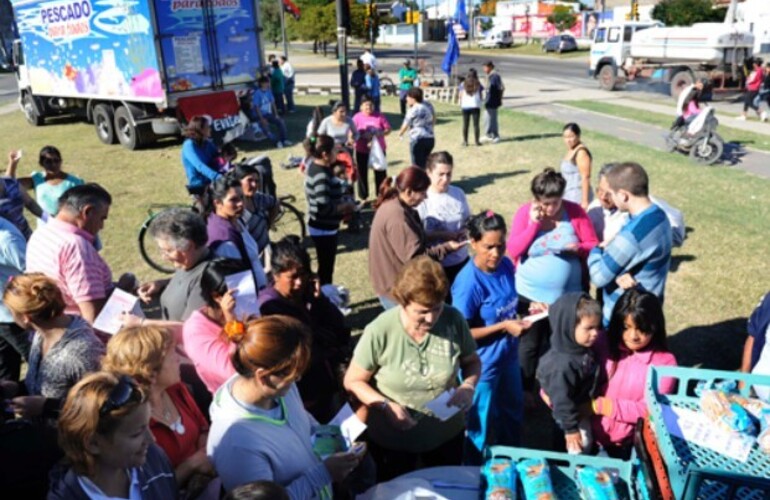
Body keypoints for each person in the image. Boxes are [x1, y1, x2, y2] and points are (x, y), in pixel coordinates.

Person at [344, 256, 481, 481]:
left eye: (436, 308)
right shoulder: (380, 330)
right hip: (393, 443)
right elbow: (353, 381)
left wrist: (467, 385)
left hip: (445, 437)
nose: (431, 318)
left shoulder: (453, 319)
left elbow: (472, 361)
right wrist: (386, 406)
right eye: (422, 311)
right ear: (403, 301)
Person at [207, 315, 361, 495]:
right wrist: (324, 473)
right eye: (293, 377)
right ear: (263, 376)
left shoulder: (278, 388)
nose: (297, 380)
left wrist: (330, 439)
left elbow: (301, 418)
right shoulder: (237, 445)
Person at [506, 168, 598, 392]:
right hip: (530, 294)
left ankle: (559, 387)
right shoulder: (525, 213)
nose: (548, 208)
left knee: (562, 343)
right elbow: (514, 249)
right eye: (543, 203)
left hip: (567, 297)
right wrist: (534, 224)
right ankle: (526, 388)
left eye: (554, 203)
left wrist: (579, 249)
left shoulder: (574, 212)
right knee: (529, 345)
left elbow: (593, 244)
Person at [451, 211, 531, 464]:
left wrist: (529, 306)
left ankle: (511, 462)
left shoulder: (506, 265)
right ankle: (473, 474)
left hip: (508, 358)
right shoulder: (468, 283)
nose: (496, 253)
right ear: (472, 243)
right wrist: (503, 327)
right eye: (489, 247)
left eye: (501, 245)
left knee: (512, 413)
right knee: (478, 427)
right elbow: (461, 336)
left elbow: (509, 300)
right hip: (481, 366)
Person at [102, 326, 216, 491]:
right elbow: (148, 490)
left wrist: (206, 451)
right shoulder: (133, 421)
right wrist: (191, 465)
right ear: (150, 372)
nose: (179, 359)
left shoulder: (176, 389)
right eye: (173, 355)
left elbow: (203, 427)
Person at [258, 236, 351, 422]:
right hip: (302, 394)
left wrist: (320, 300)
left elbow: (340, 329)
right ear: (276, 275)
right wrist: (328, 350)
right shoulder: (269, 308)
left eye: (303, 275)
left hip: (325, 385)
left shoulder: (306, 296)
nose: (299, 282)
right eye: (292, 277)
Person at [49, 372, 178, 499]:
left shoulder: (155, 461)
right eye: (136, 434)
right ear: (93, 443)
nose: (152, 439)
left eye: (148, 425)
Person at [1, 273, 104, 421]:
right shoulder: (41, 335)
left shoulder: (80, 352)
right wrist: (17, 388)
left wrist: (46, 407)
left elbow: (102, 406)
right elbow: (54, 384)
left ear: (25, 317)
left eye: (11, 312)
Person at [591, 289, 677, 458]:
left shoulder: (665, 363)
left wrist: (601, 406)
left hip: (627, 446)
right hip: (586, 434)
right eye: (626, 327)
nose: (633, 336)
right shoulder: (600, 341)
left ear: (655, 327)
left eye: (642, 329)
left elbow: (652, 410)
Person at [588, 162, 672, 325]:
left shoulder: (632, 236)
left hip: (624, 318)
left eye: (612, 194)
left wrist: (597, 250)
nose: (609, 198)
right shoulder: (659, 215)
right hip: (649, 306)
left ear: (624, 195)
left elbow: (598, 277)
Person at [368, 167, 465, 309]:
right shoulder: (397, 217)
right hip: (396, 292)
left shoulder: (397, 205)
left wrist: (443, 235)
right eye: (423, 193)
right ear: (408, 192)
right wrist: (448, 248)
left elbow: (412, 237)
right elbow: (417, 259)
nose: (425, 197)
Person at [26, 183, 123, 324]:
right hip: (87, 338)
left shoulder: (40, 234)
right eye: (102, 218)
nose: (102, 226)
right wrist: (123, 289)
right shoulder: (76, 248)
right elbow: (93, 317)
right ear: (87, 212)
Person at [537, 292, 602, 454]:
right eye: (589, 328)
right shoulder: (561, 366)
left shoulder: (580, 348)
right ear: (568, 327)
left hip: (580, 408)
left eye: (597, 327)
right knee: (577, 449)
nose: (595, 333)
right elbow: (561, 401)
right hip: (570, 418)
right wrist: (571, 430)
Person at [182, 258, 249, 394]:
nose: (250, 296)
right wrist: (233, 323)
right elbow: (233, 371)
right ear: (218, 297)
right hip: (237, 400)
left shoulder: (246, 309)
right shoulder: (195, 332)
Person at [136, 208, 213, 322]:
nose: (164, 257)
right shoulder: (189, 262)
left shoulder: (207, 279)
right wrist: (162, 284)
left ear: (189, 246)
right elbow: (188, 283)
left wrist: (141, 323)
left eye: (168, 251)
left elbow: (192, 328)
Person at [587, 164, 685, 248]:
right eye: (600, 190)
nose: (603, 197)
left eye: (609, 194)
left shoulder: (640, 207)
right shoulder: (594, 208)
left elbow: (677, 232)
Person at [304, 134, 356, 286]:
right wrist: (346, 207)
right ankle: (325, 298)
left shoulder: (318, 167)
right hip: (323, 228)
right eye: (334, 150)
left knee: (326, 267)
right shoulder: (321, 174)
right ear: (325, 154)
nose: (337, 154)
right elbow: (323, 208)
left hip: (324, 227)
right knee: (326, 269)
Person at [416, 151, 471, 289]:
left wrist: (465, 230)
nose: (445, 179)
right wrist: (443, 235)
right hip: (436, 266)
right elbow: (417, 238)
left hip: (461, 261)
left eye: (449, 174)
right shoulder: (422, 199)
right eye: (440, 174)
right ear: (429, 173)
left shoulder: (458, 193)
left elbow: (468, 220)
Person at [203, 174, 268, 291]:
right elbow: (237, 283)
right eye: (233, 200)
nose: (241, 203)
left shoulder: (236, 219)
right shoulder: (225, 241)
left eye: (241, 197)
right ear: (217, 203)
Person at [5, 145, 85, 219]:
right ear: (41, 163)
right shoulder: (37, 179)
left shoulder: (74, 182)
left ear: (61, 161)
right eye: (48, 161)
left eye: (56, 160)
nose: (53, 164)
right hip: (44, 230)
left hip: (66, 227)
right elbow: (10, 185)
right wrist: (13, 163)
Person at [0, 217, 28, 381]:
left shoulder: (7, 240)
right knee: (5, 375)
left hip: (15, 318)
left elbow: (31, 272)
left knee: (42, 364)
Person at [233, 163, 278, 260]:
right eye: (249, 180)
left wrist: (270, 223)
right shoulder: (234, 209)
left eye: (257, 181)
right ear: (238, 182)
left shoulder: (257, 198)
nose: (254, 185)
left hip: (266, 253)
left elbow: (275, 203)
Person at [352, 95, 392, 202]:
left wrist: (380, 133)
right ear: (361, 107)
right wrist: (361, 135)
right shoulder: (356, 117)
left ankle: (381, 195)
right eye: (366, 105)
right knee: (362, 173)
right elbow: (352, 132)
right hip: (362, 149)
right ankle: (363, 197)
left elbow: (388, 129)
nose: (368, 107)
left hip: (378, 150)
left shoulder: (379, 116)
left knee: (380, 173)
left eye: (370, 105)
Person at [2, 150, 44, 239]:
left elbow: (30, 203)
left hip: (27, 237)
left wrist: (49, 219)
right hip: (6, 244)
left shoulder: (9, 183)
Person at [398, 87, 436, 169]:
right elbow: (434, 118)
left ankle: (420, 181)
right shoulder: (428, 104)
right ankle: (427, 180)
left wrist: (400, 133)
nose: (406, 99)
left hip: (418, 140)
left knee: (417, 166)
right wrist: (431, 129)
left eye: (407, 97)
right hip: (430, 138)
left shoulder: (413, 109)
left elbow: (405, 124)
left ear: (413, 98)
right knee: (426, 163)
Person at [181, 116, 221, 194]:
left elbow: (218, 157)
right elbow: (199, 166)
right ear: (201, 129)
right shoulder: (189, 145)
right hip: (199, 185)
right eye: (207, 127)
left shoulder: (207, 143)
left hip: (212, 181)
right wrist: (218, 177)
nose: (210, 128)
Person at [252, 76, 291, 148]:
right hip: (259, 115)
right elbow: (256, 108)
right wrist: (261, 119)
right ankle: (277, 142)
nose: (268, 84)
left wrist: (276, 114)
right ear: (262, 83)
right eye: (266, 82)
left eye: (268, 82)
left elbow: (273, 103)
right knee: (266, 127)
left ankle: (284, 140)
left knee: (280, 121)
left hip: (267, 114)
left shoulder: (269, 91)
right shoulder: (257, 93)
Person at [561, 123, 593, 209]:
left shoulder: (581, 152)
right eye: (565, 137)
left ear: (578, 136)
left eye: (571, 136)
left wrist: (585, 201)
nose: (568, 140)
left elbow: (585, 177)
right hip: (567, 194)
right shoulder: (571, 150)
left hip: (577, 196)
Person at [482, 61, 504, 144]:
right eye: (483, 67)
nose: (484, 69)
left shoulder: (495, 76)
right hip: (488, 100)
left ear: (490, 67)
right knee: (486, 118)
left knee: (493, 119)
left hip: (493, 101)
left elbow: (500, 88)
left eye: (485, 67)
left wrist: (499, 99)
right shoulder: (488, 76)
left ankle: (496, 135)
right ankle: (488, 135)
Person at [459, 70, 483, 147]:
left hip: (465, 106)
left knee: (465, 124)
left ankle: (465, 141)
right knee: (476, 125)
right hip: (475, 106)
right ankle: (477, 141)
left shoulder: (463, 84)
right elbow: (480, 94)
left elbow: (460, 95)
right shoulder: (478, 84)